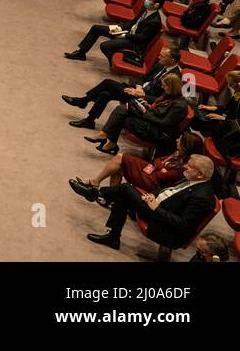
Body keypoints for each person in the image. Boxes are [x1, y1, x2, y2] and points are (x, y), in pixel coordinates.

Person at [86, 155, 216, 252]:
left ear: (200, 174)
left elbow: (182, 225)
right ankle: (113, 237)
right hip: (157, 206)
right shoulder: (192, 178)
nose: (185, 166)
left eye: (190, 166)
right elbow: (167, 190)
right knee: (124, 193)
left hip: (165, 227)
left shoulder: (203, 198)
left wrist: (156, 208)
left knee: (126, 188)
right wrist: (153, 195)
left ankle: (95, 192)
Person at [63, 44, 182, 129]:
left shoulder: (175, 77)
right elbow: (143, 77)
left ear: (172, 60)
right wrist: (139, 87)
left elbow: (165, 99)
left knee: (108, 83)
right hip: (137, 90)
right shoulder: (161, 64)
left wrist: (142, 94)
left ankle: (83, 101)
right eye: (160, 55)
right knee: (105, 94)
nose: (159, 58)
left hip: (145, 100)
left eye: (163, 56)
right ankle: (89, 120)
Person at [69, 131, 204, 203]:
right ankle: (107, 195)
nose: (177, 140)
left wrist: (160, 167)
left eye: (180, 139)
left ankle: (98, 187)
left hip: (153, 184)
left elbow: (160, 176)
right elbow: (158, 160)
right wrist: (160, 166)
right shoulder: (178, 153)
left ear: (186, 145)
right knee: (120, 161)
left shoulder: (185, 166)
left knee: (121, 160)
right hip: (151, 171)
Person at [84, 74, 188, 156]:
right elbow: (159, 109)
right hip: (151, 121)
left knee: (122, 115)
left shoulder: (179, 106)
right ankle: (108, 139)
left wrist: (145, 113)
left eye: (164, 85)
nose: (162, 87)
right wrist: (148, 106)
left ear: (171, 87)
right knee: (123, 109)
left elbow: (164, 123)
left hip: (157, 132)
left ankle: (108, 139)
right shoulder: (170, 95)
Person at [64, 0, 162, 63]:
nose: (146, 0)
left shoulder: (155, 21)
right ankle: (81, 53)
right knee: (96, 28)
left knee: (104, 46)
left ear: (157, 5)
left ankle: (114, 62)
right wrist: (118, 28)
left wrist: (124, 35)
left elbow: (141, 38)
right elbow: (132, 23)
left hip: (134, 43)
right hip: (128, 33)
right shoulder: (146, 9)